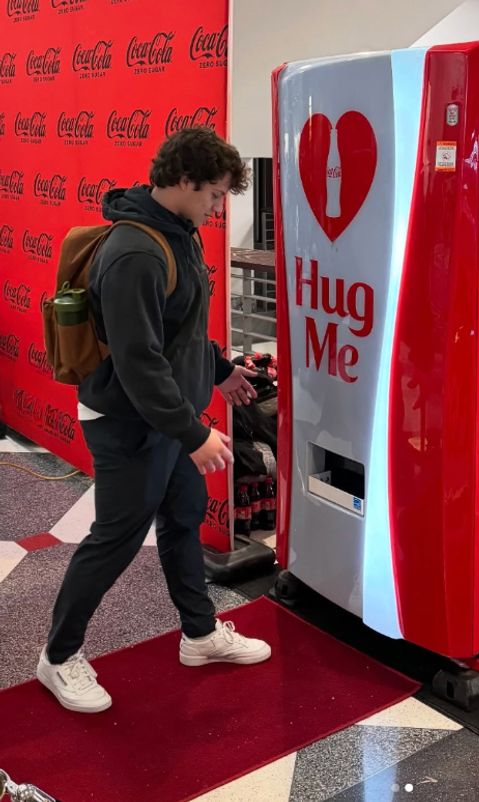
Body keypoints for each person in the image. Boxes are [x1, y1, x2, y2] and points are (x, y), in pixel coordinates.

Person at [37, 127, 271, 714]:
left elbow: (181, 328)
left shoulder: (179, 232)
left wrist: (217, 370)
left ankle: (199, 634)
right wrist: (192, 434)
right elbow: (139, 362)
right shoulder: (136, 252)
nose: (219, 208)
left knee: (183, 516)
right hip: (127, 421)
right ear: (185, 181)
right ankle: (58, 658)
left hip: (166, 419)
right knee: (116, 537)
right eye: (215, 195)